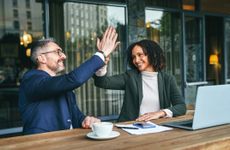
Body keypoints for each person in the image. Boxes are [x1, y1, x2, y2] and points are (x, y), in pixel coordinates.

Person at [18, 26, 119, 135]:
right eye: (58, 52)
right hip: (40, 143)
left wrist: (87, 120)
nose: (64, 56)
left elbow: (76, 117)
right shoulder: (31, 79)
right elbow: (74, 79)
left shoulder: (61, 85)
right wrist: (101, 54)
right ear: (42, 58)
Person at [94, 39, 186, 122]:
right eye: (133, 57)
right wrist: (101, 61)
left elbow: (181, 107)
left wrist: (160, 113)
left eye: (140, 55)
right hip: (131, 128)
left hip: (158, 128)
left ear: (152, 54)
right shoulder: (130, 76)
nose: (136, 60)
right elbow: (102, 82)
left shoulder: (168, 79)